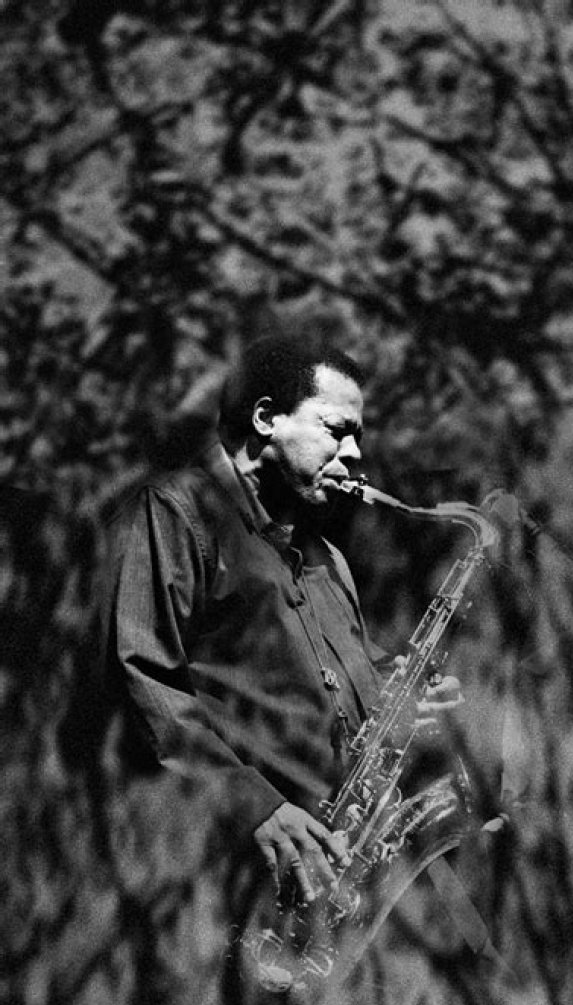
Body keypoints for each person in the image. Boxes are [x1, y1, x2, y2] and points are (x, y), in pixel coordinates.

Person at [100, 333, 461, 905]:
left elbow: (342, 687)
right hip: (218, 879)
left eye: (358, 437)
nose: (355, 453)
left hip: (322, 878)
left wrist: (402, 701)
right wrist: (255, 805)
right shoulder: (177, 513)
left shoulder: (328, 559)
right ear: (266, 419)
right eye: (337, 430)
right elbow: (141, 678)